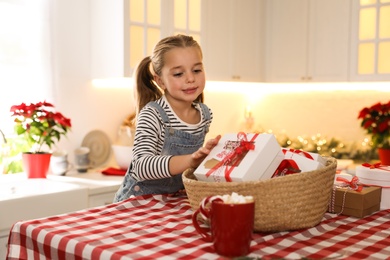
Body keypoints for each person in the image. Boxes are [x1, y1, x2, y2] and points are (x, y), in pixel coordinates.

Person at [114, 34, 221, 202]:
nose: (191, 78)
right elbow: (141, 166)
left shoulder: (204, 115)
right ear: (160, 81)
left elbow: (190, 168)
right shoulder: (153, 114)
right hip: (138, 202)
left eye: (197, 70)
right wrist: (190, 160)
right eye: (178, 74)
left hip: (172, 200)